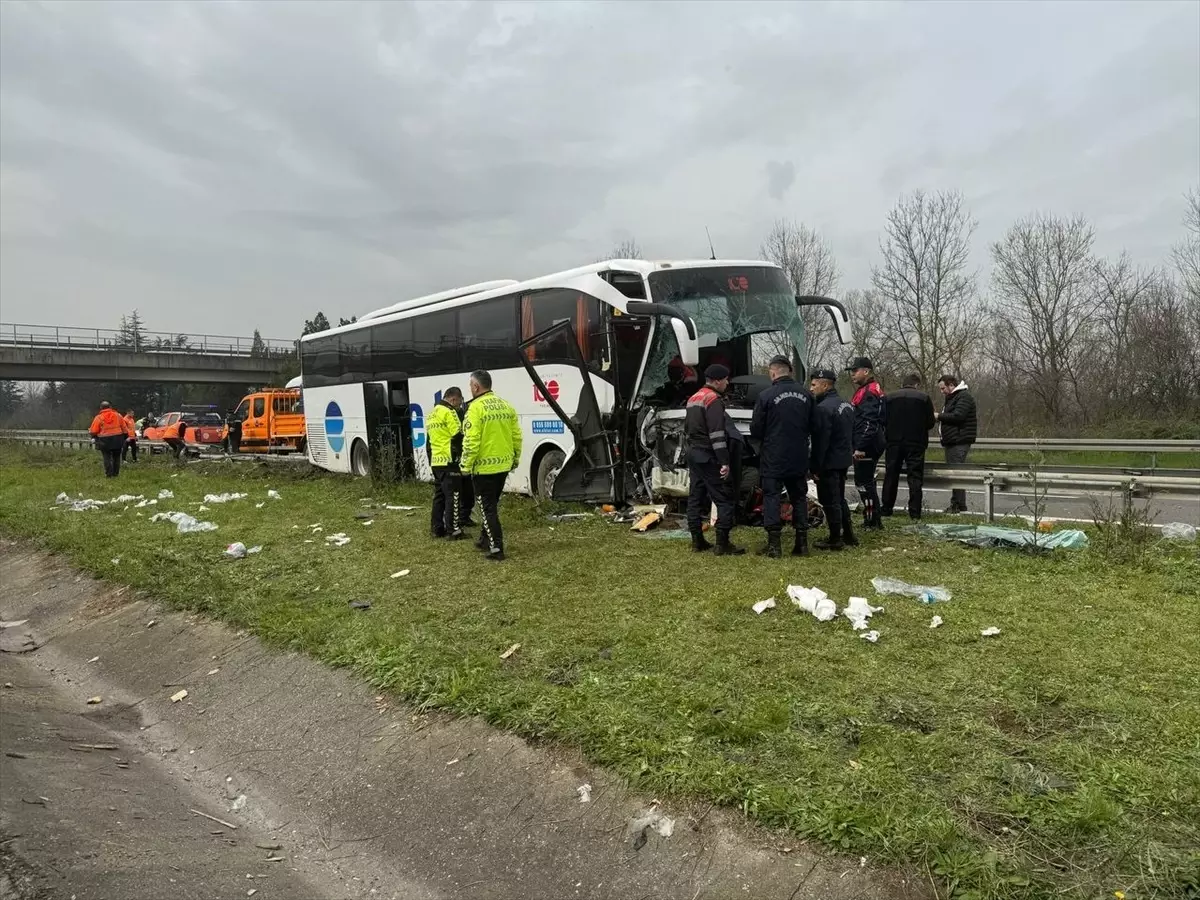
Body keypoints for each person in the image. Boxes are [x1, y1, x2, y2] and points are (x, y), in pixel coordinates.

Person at [749, 355, 818, 558]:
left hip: (773, 455)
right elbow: (815, 426)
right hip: (798, 455)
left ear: (772, 372)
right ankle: (802, 543)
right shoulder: (807, 395)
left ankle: (774, 546)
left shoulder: (766, 396)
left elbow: (756, 429)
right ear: (790, 371)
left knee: (771, 497)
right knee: (798, 497)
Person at [460, 370, 522, 561]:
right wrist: (515, 459)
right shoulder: (505, 405)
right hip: (503, 466)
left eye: (470, 385)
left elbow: (471, 441)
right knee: (491, 504)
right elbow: (516, 436)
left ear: (476, 387)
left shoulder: (475, 409)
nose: (470, 389)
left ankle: (496, 547)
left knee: (487, 508)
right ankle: (484, 540)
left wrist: (465, 465)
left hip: (484, 468)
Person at [684, 364, 743, 556]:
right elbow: (717, 434)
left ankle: (697, 541)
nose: (727, 383)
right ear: (717, 380)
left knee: (695, 497)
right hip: (708, 455)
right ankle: (722, 544)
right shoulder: (713, 400)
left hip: (694, 454)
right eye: (726, 379)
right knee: (724, 500)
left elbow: (687, 430)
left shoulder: (694, 398)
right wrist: (724, 461)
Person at [809, 369, 857, 550]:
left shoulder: (823, 408)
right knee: (839, 499)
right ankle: (849, 535)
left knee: (830, 501)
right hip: (843, 459)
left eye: (814, 384)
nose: (811, 389)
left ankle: (835, 538)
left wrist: (815, 466)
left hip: (828, 461)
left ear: (825, 384)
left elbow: (821, 441)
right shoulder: (846, 404)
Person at [881, 374, 935, 519]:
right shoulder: (924, 398)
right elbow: (930, 422)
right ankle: (915, 512)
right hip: (916, 442)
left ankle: (886, 508)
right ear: (916, 384)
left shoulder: (890, 398)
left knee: (891, 475)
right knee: (915, 477)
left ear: (903, 384)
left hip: (894, 442)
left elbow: (883, 419)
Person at [847, 356, 886, 530]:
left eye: (855, 371)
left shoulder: (869, 391)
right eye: (851, 371)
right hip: (872, 442)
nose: (852, 374)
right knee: (866, 482)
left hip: (868, 445)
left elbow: (870, 422)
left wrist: (860, 447)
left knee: (863, 484)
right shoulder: (868, 388)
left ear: (866, 371)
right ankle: (874, 519)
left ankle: (871, 521)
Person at [427, 386, 467, 540]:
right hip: (449, 460)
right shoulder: (449, 412)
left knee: (439, 496)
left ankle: (437, 528)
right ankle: (453, 530)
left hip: (436, 461)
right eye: (458, 403)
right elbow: (458, 435)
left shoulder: (432, 413)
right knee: (454, 495)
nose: (458, 406)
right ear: (453, 399)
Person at [936, 374, 978, 513]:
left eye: (943, 388)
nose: (942, 392)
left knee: (956, 473)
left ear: (951, 385)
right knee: (955, 473)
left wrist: (938, 416)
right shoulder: (954, 398)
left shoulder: (963, 397)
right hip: (952, 441)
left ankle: (957, 505)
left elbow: (958, 416)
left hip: (959, 440)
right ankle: (959, 504)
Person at [89, 401, 127, 477]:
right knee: (116, 457)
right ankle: (116, 474)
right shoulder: (118, 415)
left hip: (104, 440)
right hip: (117, 438)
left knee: (106, 457)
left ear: (101, 408)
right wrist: (125, 437)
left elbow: (93, 431)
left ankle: (109, 474)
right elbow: (124, 428)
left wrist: (93, 436)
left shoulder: (98, 417)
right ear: (110, 407)